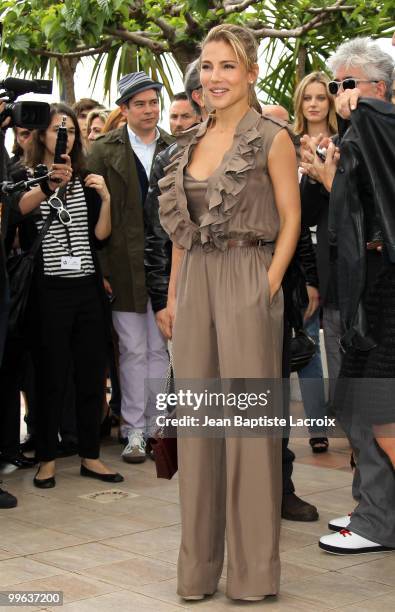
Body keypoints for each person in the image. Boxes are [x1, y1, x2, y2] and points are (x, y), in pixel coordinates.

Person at [159, 24, 300, 600]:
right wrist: (172, 297)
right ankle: (196, 572)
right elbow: (179, 233)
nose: (214, 78)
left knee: (247, 430)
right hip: (194, 286)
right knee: (198, 428)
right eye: (208, 67)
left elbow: (291, 221)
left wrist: (264, 286)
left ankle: (251, 575)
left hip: (248, 275)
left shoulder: (272, 137)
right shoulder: (186, 142)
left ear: (250, 73)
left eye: (227, 67)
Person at [300, 38, 395, 555]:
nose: (337, 95)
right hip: (365, 285)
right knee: (366, 409)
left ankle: (378, 518)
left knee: (377, 410)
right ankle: (374, 510)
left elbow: (372, 212)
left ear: (377, 86)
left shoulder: (378, 131)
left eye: (345, 84)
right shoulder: (369, 133)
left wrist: (331, 174)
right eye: (334, 84)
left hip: (382, 288)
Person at [16, 102, 123, 488]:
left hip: (87, 289)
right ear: (41, 134)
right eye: (57, 129)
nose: (65, 137)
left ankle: (90, 455)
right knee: (49, 376)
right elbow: (18, 220)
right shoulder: (24, 177)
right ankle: (46, 457)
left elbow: (101, 236)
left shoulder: (87, 177)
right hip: (48, 291)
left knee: (91, 374)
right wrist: (47, 186)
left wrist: (107, 199)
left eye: (72, 131)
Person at [88, 72, 174, 463]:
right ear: (123, 109)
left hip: (165, 266)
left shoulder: (175, 147)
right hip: (121, 264)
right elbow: (93, 217)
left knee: (160, 349)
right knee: (132, 349)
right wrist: (103, 269)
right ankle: (134, 431)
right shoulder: (103, 151)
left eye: (153, 102)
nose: (148, 110)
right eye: (139, 104)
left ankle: (158, 429)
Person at [293, 72, 338, 453]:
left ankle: (352, 425)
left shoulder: (346, 143)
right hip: (300, 261)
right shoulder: (286, 146)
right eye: (307, 97)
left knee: (342, 347)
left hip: (338, 257)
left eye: (320, 97)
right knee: (306, 346)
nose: (313, 104)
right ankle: (317, 426)